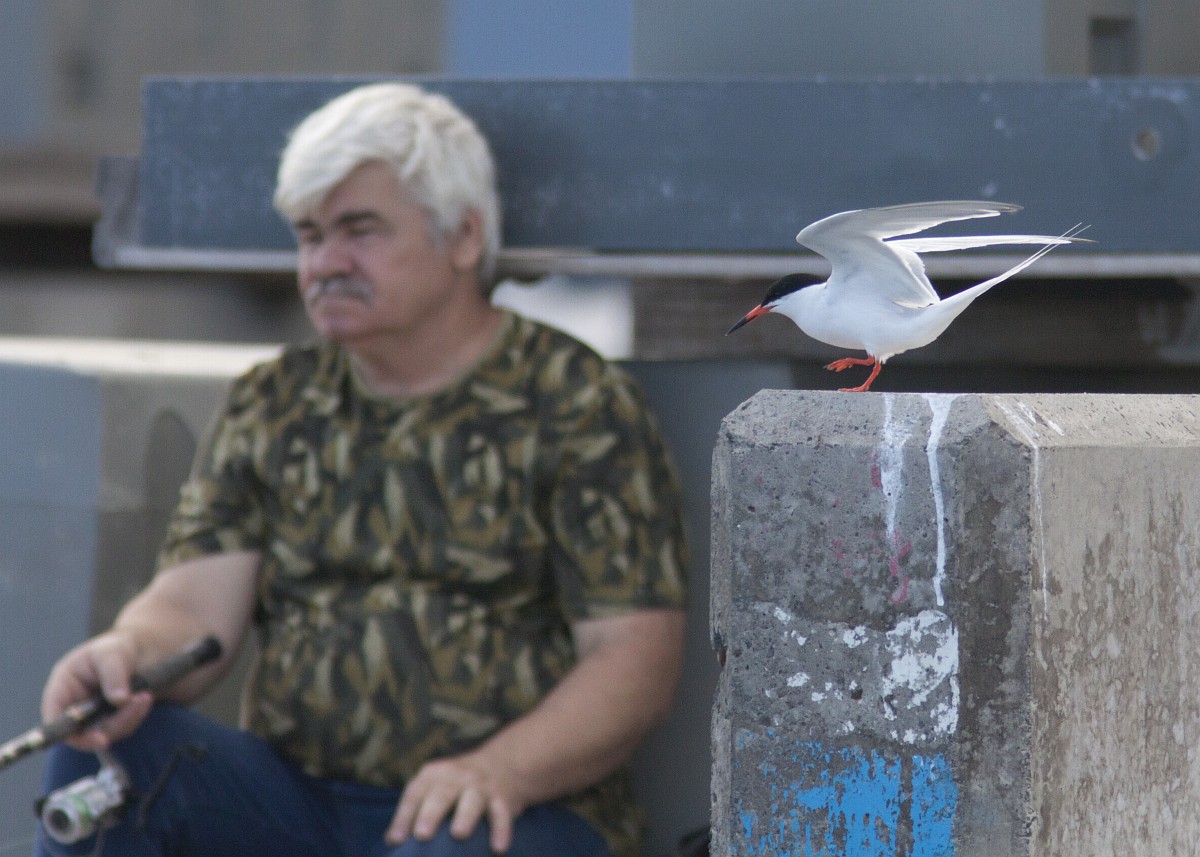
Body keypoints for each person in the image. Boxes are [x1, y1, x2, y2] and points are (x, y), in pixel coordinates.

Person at [34, 82, 689, 857]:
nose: (325, 262)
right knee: (104, 758)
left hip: (509, 811)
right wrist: (125, 654)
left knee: (453, 838)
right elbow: (191, 609)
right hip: (296, 805)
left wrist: (499, 769)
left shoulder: (576, 402)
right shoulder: (274, 400)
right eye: (309, 235)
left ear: (464, 237)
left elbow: (634, 660)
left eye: (360, 231)